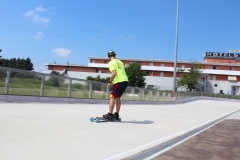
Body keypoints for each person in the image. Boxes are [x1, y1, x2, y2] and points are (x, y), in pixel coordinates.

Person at [103, 50, 128, 121]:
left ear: (108, 57)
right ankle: (116, 115)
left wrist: (110, 81)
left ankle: (110, 115)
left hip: (118, 81)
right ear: (115, 55)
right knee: (118, 98)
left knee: (112, 97)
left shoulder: (111, 63)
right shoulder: (120, 62)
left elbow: (114, 73)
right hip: (125, 81)